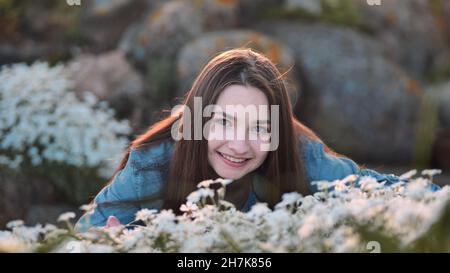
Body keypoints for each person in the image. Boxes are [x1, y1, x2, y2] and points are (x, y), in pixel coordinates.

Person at [75, 48, 439, 231]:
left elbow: (383, 192)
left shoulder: (300, 156)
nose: (239, 145)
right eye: (224, 122)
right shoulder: (153, 163)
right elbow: (80, 239)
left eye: (260, 128)